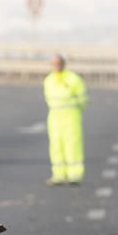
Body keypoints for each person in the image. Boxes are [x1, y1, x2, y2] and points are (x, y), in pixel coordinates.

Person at [42, 54, 87, 185]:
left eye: (58, 63)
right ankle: (59, 175)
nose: (56, 66)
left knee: (72, 145)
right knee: (56, 146)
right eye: (53, 64)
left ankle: (74, 176)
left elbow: (82, 99)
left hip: (71, 117)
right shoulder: (49, 80)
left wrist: (76, 110)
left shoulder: (73, 79)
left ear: (63, 64)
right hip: (55, 118)